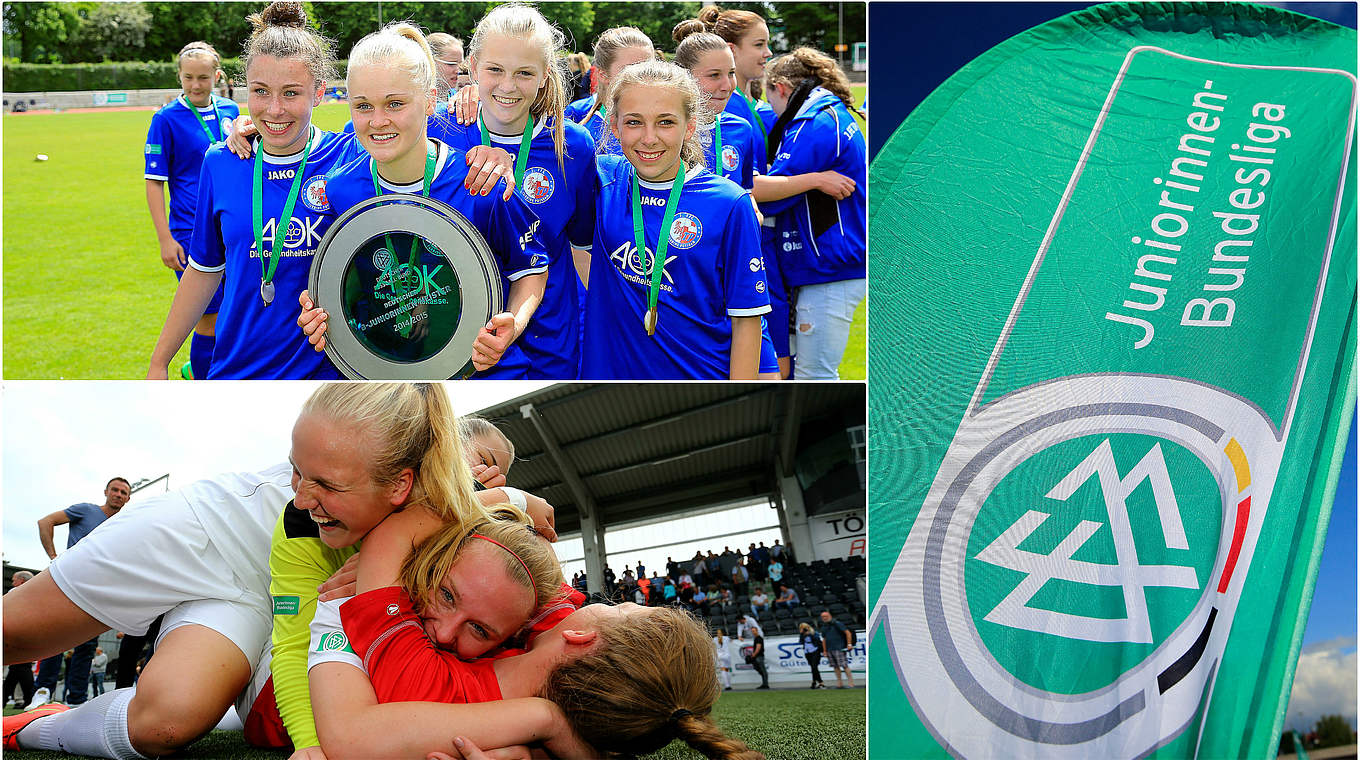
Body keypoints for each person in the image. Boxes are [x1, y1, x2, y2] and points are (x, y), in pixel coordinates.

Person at [0, 382, 514, 759]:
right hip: (198, 536)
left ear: (401, 485)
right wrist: (512, 498)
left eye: (327, 486)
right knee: (11, 635)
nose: (300, 495)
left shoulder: (454, 519)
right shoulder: (304, 515)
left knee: (166, 724)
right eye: (294, 469)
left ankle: (36, 727)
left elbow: (298, 647)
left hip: (258, 601)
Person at [295, 21, 548, 377]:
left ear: (430, 100)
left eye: (395, 103)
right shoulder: (340, 190)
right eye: (363, 106)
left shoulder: (482, 182)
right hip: (393, 380)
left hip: (483, 374)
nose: (378, 121)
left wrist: (513, 327)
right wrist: (320, 313)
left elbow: (532, 271)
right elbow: (351, 285)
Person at [147, 3, 361, 380]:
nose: (274, 109)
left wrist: (482, 124)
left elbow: (412, 126)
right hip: (239, 369)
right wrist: (159, 361)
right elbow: (204, 269)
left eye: (291, 93)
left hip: (329, 376)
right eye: (261, 92)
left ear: (320, 93)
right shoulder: (221, 161)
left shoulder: (350, 157)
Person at [579, 60, 770, 380]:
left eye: (666, 122)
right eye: (634, 122)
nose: (649, 138)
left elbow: (747, 320)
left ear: (690, 126)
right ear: (614, 126)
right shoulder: (600, 179)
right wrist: (471, 98)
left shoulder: (728, 203)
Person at [437, 5, 596, 379]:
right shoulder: (441, 131)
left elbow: (582, 248)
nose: (508, 86)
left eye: (525, 73)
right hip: (460, 336)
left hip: (549, 338)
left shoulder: (572, 147)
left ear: (544, 77)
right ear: (473, 67)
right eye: (495, 70)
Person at [758, 48, 866, 380]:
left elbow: (771, 196)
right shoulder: (827, 114)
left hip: (831, 267)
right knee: (809, 372)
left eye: (770, 99)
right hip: (828, 266)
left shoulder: (814, 121)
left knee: (814, 375)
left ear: (781, 88)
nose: (774, 113)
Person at [144, 41, 240, 380]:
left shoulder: (231, 111)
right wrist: (165, 239)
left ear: (216, 75)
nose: (196, 85)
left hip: (232, 227)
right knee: (208, 316)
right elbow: (154, 182)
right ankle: (201, 380)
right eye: (188, 78)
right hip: (189, 231)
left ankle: (206, 370)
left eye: (203, 77)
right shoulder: (166, 119)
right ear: (179, 77)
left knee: (234, 314)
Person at [26, 478, 133, 710]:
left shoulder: (125, 523)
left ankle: (76, 699)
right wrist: (54, 557)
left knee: (86, 646)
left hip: (98, 591)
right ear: (106, 491)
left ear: (128, 498)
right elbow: (45, 521)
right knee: (54, 638)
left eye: (123, 492)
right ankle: (43, 691)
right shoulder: (86, 510)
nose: (118, 494)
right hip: (68, 582)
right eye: (115, 489)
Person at [563, 27, 654, 146]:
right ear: (603, 75)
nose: (643, 78)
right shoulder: (577, 117)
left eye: (650, 69)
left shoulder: (670, 120)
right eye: (630, 70)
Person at [3, 572, 36, 710]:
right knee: (17, 669)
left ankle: (29, 699)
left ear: (21, 581)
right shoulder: (36, 593)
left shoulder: (15, 592)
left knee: (20, 668)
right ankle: (27, 699)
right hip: (31, 631)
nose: (12, 583)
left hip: (18, 631)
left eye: (14, 580)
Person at [819, 609, 855, 689]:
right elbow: (824, 639)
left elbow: (848, 633)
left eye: (826, 616)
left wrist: (849, 644)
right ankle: (839, 683)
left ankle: (851, 683)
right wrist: (824, 651)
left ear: (830, 616)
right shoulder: (824, 627)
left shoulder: (837, 623)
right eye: (823, 617)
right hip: (829, 649)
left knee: (844, 665)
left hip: (839, 648)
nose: (824, 618)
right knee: (835, 667)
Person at [797, 622, 825, 689]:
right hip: (807, 651)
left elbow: (817, 639)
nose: (803, 630)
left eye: (804, 628)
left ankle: (820, 682)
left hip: (815, 650)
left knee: (814, 666)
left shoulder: (814, 632)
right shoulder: (802, 634)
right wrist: (802, 634)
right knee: (813, 667)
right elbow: (800, 642)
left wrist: (810, 634)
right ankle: (814, 682)